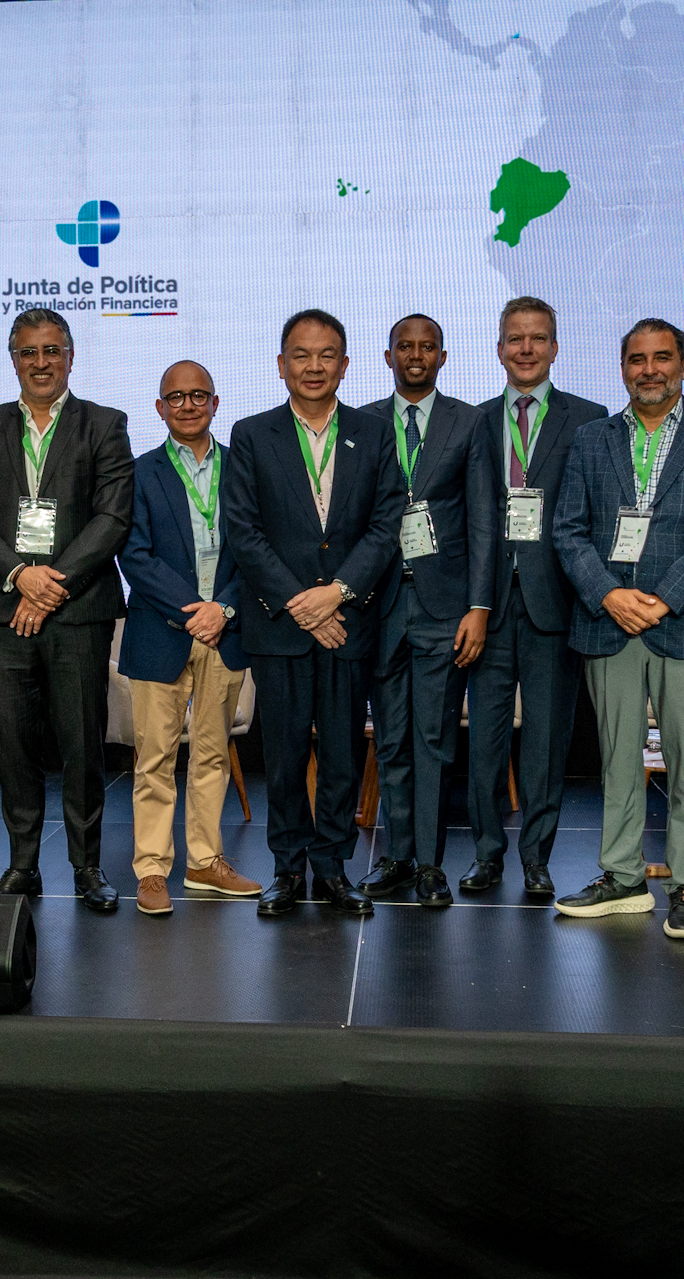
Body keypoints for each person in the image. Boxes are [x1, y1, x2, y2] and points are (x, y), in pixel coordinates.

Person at [553, 319, 684, 941]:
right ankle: (623, 877)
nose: (649, 369)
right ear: (622, 369)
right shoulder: (591, 439)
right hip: (609, 622)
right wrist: (609, 593)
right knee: (617, 759)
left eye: (662, 358)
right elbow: (568, 529)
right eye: (636, 359)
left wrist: (662, 599)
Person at [222, 308, 405, 917]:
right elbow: (243, 533)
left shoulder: (375, 433)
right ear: (280, 365)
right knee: (285, 754)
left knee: (345, 754)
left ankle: (331, 867)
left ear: (346, 365)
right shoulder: (251, 435)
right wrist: (304, 604)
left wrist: (340, 592)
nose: (314, 366)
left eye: (327, 355)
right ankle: (286, 866)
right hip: (281, 625)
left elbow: (386, 526)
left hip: (349, 621)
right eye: (301, 355)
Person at [0, 308, 133, 911]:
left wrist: (50, 586)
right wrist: (19, 576)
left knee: (82, 746)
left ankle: (86, 867)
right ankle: (23, 864)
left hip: (79, 612)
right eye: (28, 352)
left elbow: (112, 517)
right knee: (13, 744)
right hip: (4, 608)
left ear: (71, 356)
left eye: (51, 350)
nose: (40, 362)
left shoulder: (105, 424)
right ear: (13, 360)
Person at [460, 297, 608, 901]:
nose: (526, 349)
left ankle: (537, 858)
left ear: (555, 348)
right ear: (499, 349)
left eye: (538, 339)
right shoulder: (472, 421)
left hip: (556, 602)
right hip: (488, 606)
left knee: (547, 742)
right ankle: (487, 854)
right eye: (515, 339)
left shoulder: (590, 419)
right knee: (486, 741)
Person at [117, 361, 263, 913]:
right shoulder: (140, 472)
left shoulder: (242, 469)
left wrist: (222, 608)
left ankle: (205, 863)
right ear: (160, 408)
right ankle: (152, 869)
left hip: (225, 631)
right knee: (153, 758)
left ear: (215, 402)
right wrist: (193, 610)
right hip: (163, 633)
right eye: (175, 396)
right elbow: (134, 554)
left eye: (198, 395)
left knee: (212, 756)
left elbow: (253, 549)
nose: (187, 404)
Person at [359, 314, 489, 908]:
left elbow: (485, 519)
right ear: (388, 357)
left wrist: (479, 605)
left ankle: (431, 863)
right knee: (390, 740)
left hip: (444, 607)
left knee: (433, 739)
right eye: (404, 347)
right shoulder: (359, 423)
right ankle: (396, 854)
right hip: (378, 604)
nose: (415, 355)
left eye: (427, 347)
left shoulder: (470, 420)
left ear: (443, 356)